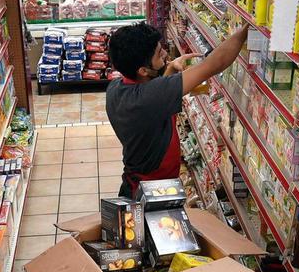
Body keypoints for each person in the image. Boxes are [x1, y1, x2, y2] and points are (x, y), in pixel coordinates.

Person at [106, 21, 249, 198]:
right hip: (152, 191)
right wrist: (246, 29)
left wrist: (170, 70)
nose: (165, 54)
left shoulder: (116, 88)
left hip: (137, 182)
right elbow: (214, 63)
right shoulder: (147, 98)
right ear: (143, 70)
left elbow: (154, 101)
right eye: (159, 54)